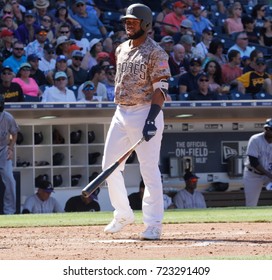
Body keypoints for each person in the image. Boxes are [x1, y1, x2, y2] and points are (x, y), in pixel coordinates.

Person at [102, 4, 171, 240]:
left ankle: (153, 224)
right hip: (121, 111)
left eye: (133, 21)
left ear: (146, 24)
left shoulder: (156, 52)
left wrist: (152, 118)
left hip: (145, 111)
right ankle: (123, 213)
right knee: (109, 166)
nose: (128, 24)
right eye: (127, 21)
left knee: (149, 170)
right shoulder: (121, 48)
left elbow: (160, 88)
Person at [243, 118, 272, 207]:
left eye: (270, 129)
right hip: (253, 174)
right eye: (267, 128)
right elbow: (254, 162)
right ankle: (249, 220)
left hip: (269, 173)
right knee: (251, 204)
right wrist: (269, 175)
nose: (268, 130)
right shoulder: (255, 139)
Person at [0, 94, 19, 214]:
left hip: (3, 149)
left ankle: (9, 212)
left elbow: (14, 133)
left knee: (10, 180)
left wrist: (11, 148)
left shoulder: (7, 117)